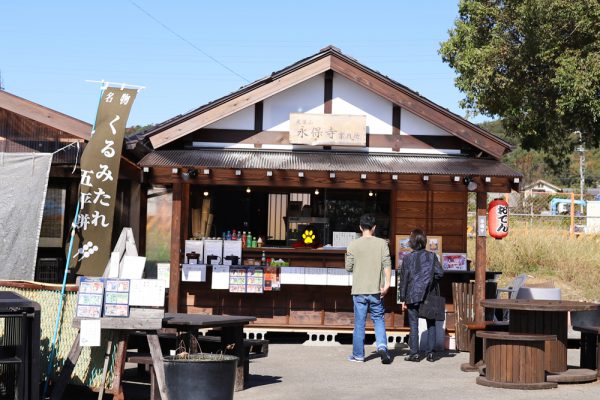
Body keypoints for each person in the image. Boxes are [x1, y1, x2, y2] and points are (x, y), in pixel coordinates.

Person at [345, 214, 392, 364]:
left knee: (359, 323)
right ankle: (383, 347)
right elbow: (387, 264)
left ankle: (358, 355)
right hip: (376, 289)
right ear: (374, 228)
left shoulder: (353, 244)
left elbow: (348, 267)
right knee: (378, 319)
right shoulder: (382, 243)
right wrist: (387, 284)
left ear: (360, 227)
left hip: (359, 289)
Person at [398, 228, 444, 362]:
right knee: (431, 323)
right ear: (424, 241)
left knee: (413, 324)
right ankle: (430, 354)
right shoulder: (431, 256)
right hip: (429, 295)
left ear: (412, 242)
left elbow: (404, 280)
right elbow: (440, 273)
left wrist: (402, 298)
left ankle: (414, 354)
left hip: (412, 295)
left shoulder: (407, 259)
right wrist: (430, 279)